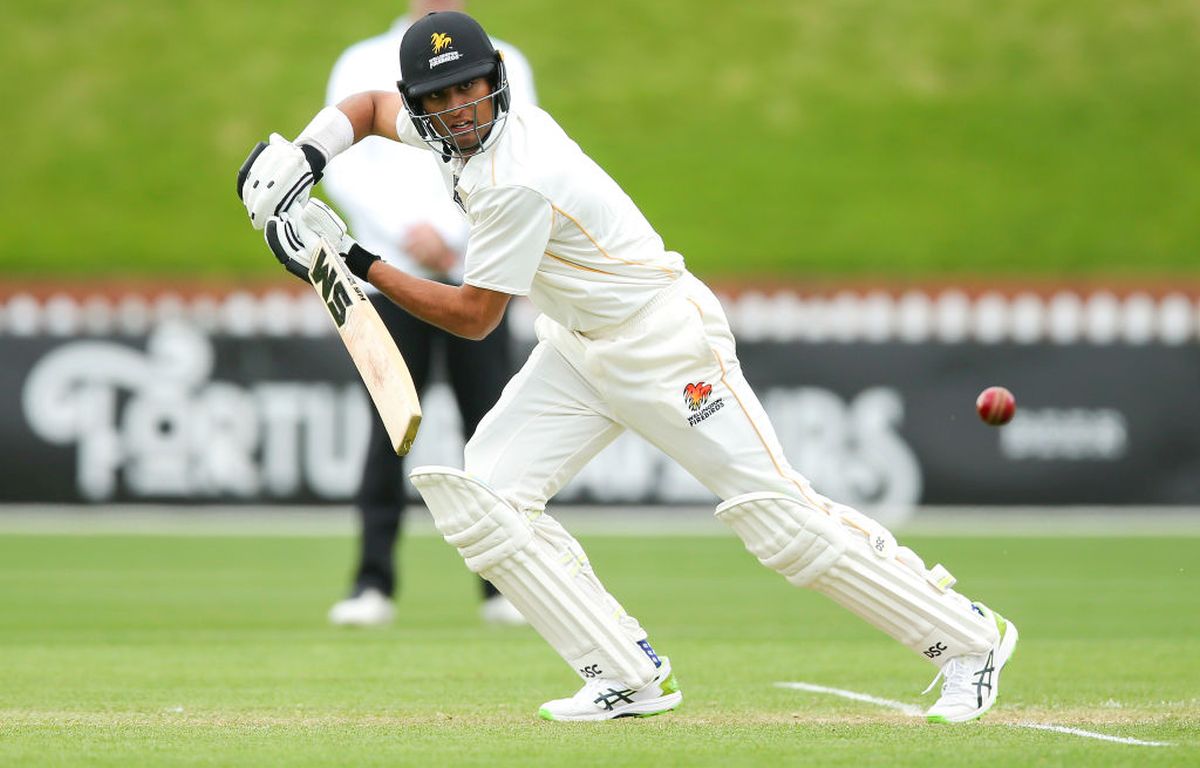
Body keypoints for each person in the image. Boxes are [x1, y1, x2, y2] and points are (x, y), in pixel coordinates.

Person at [238, 11, 1018, 723]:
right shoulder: (440, 123)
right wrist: (307, 154)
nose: (458, 111)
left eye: (470, 90)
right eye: (439, 99)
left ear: (496, 83)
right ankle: (628, 674)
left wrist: (351, 255)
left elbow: (475, 319)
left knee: (779, 522)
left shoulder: (518, 175)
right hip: (581, 346)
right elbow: (371, 108)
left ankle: (970, 640)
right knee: (489, 499)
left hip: (664, 343)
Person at [319, 0, 537, 628]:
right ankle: (372, 582)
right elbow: (347, 163)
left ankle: (506, 585)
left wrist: (455, 236)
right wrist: (405, 232)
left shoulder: (504, 59)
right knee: (390, 428)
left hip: (478, 270)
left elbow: (516, 157)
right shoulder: (362, 60)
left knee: (491, 429)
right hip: (389, 274)